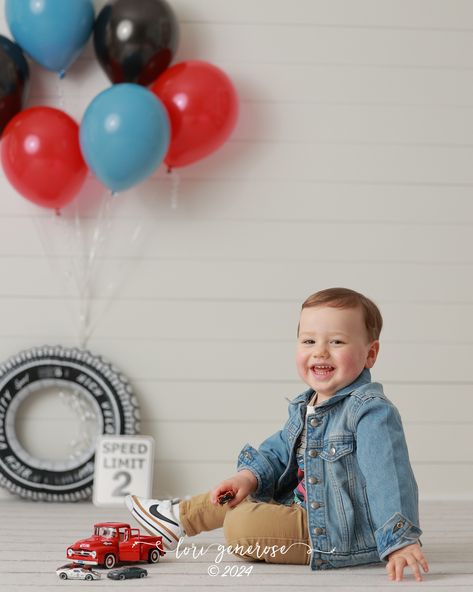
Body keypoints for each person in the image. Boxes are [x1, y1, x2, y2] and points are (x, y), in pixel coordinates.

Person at [126, 287, 429, 582]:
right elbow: (279, 452)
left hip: (338, 531)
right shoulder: (307, 404)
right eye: (309, 340)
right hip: (303, 508)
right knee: (238, 493)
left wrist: (399, 539)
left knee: (239, 525)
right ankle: (178, 518)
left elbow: (388, 477)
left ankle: (190, 517)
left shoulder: (369, 411)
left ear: (370, 354)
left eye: (337, 342)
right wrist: (248, 477)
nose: (320, 351)